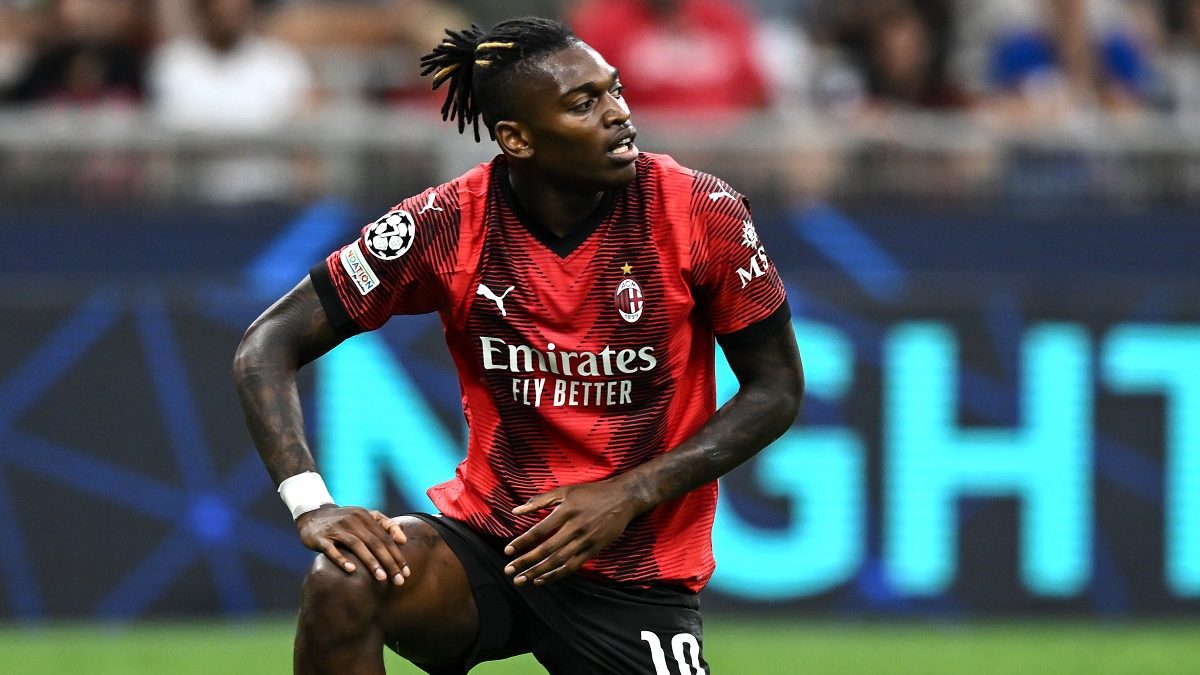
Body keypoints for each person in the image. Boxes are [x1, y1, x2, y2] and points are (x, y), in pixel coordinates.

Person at [232, 16, 803, 675]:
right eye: (583, 103)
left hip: (633, 571)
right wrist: (311, 504)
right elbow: (266, 343)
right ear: (517, 138)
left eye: (614, 90)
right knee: (345, 580)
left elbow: (777, 388)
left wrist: (629, 494)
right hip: (493, 545)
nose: (619, 115)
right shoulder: (447, 223)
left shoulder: (699, 211)